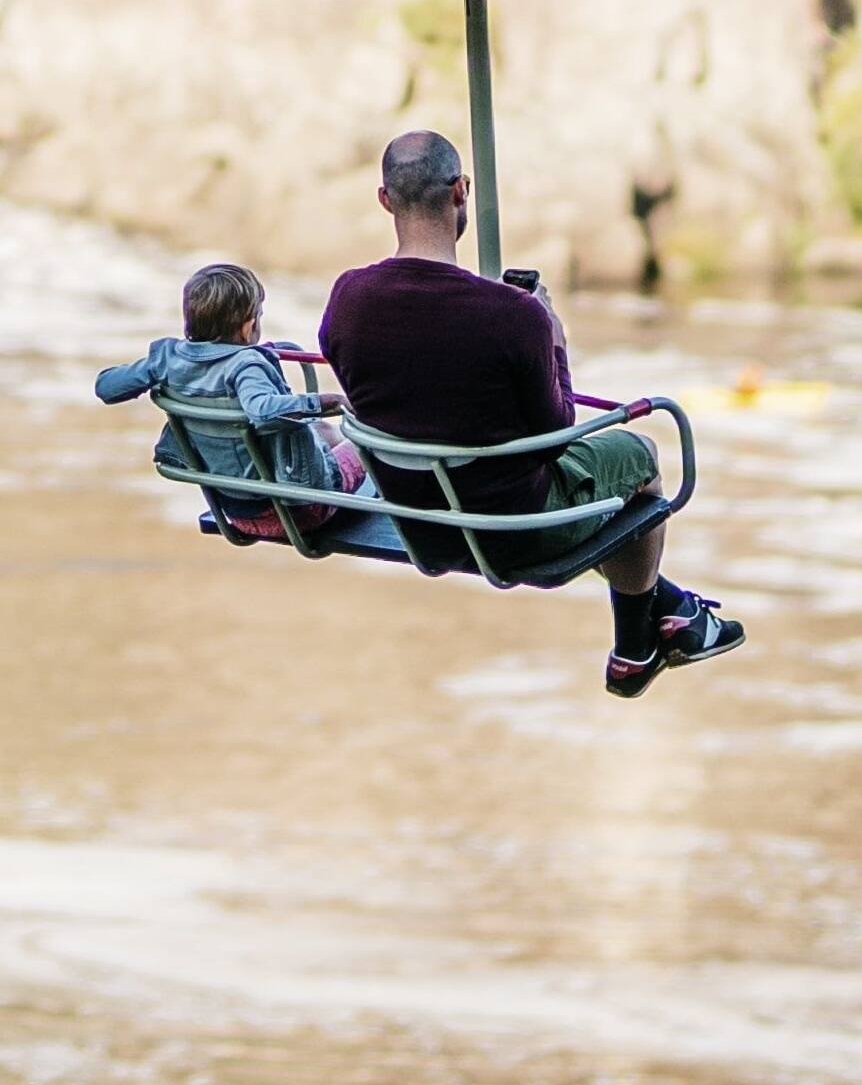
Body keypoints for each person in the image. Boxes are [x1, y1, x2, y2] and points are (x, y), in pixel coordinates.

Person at [314, 130, 745, 697]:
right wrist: (554, 337)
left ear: (385, 200)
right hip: (511, 530)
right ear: (461, 192)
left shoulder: (348, 299)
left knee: (592, 490)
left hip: (418, 519)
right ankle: (635, 648)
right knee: (637, 456)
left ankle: (672, 610)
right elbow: (556, 433)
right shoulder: (514, 316)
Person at [96, 260, 367, 542]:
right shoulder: (246, 366)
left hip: (234, 510)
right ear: (248, 327)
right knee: (364, 443)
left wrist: (152, 370)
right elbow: (262, 411)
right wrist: (328, 402)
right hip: (300, 511)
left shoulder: (168, 358)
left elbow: (106, 387)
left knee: (321, 432)